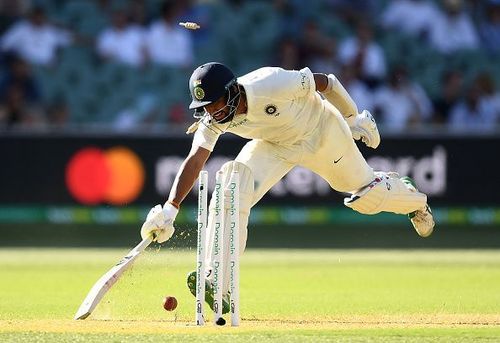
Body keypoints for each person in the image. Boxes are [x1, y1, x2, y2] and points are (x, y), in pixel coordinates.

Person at [140, 62, 435, 314]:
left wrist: (351, 119)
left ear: (231, 92)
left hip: (321, 131)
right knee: (231, 187)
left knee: (368, 195)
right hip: (275, 145)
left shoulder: (271, 82)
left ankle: (413, 200)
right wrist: (171, 207)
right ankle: (217, 282)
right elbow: (196, 158)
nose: (213, 113)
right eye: (206, 108)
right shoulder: (214, 118)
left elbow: (326, 83)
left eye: (216, 104)